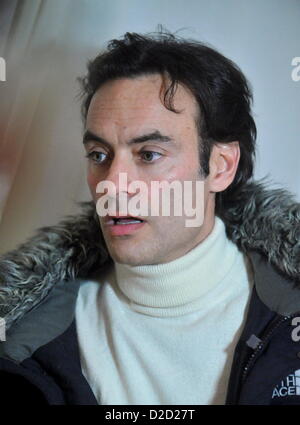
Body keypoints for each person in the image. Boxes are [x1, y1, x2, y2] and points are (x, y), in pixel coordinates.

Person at [0, 30, 299, 406]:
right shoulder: (23, 340)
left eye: (149, 154)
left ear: (221, 167)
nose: (111, 185)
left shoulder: (289, 318)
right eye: (98, 154)